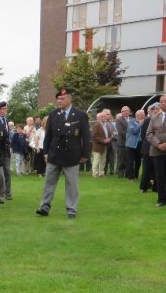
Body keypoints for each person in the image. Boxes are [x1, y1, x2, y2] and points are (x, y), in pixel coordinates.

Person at [35, 89, 91, 219]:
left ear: (70, 99)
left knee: (72, 185)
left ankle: (71, 209)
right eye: (58, 99)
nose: (59, 101)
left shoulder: (80, 115)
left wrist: (85, 154)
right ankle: (44, 207)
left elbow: (86, 136)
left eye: (62, 98)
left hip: (72, 155)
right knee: (49, 182)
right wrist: (46, 152)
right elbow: (48, 135)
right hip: (54, 154)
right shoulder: (54, 114)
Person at [139, 103, 159, 193]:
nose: (156, 111)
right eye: (154, 109)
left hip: (158, 148)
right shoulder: (148, 120)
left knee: (157, 169)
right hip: (148, 148)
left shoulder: (161, 120)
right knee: (146, 169)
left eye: (157, 109)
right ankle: (144, 187)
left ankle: (156, 187)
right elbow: (143, 135)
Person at [0, 101, 13, 199]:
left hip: (6, 150)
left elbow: (7, 136)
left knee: (7, 171)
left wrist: (9, 147)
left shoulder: (6, 120)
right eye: (1, 109)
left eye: (5, 109)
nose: (3, 111)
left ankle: (8, 193)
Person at [124, 110, 145, 181]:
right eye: (142, 114)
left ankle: (136, 175)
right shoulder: (132, 121)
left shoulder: (144, 121)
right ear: (138, 115)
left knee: (138, 160)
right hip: (131, 144)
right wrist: (140, 124)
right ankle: (130, 176)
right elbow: (134, 131)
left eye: (144, 114)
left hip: (140, 144)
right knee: (130, 161)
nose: (143, 116)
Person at [91, 111, 111, 177]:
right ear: (98, 118)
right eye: (102, 117)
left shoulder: (106, 125)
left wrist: (110, 138)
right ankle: (95, 173)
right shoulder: (96, 125)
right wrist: (104, 141)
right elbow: (94, 136)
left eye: (104, 117)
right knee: (96, 160)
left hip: (105, 145)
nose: (103, 118)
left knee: (103, 160)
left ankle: (101, 173)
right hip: (98, 146)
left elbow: (108, 134)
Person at [116, 106, 131, 177]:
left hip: (130, 144)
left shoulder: (132, 119)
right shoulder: (119, 120)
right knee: (121, 159)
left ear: (129, 112)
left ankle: (128, 173)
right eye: (124, 111)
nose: (126, 112)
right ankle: (120, 174)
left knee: (129, 159)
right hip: (122, 143)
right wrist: (130, 137)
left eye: (127, 111)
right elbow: (121, 131)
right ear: (121, 112)